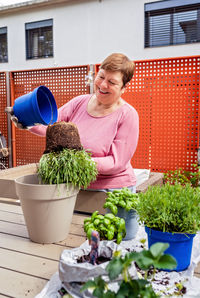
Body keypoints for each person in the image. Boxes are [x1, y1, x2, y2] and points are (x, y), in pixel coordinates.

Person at [10, 53, 139, 192]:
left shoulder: (127, 115)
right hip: (75, 186)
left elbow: (116, 163)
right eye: (101, 76)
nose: (103, 85)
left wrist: (77, 162)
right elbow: (51, 125)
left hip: (114, 190)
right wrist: (28, 121)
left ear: (124, 87)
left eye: (112, 82)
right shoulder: (80, 102)